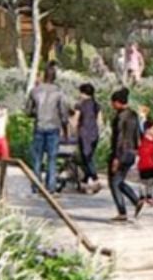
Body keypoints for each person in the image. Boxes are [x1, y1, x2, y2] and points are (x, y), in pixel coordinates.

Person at [25, 65, 71, 194]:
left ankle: (36, 186)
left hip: (39, 126)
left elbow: (28, 111)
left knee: (37, 158)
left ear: (44, 76)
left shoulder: (35, 91)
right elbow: (64, 113)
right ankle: (50, 187)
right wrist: (66, 130)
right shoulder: (59, 92)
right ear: (55, 77)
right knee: (52, 158)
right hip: (53, 127)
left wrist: (37, 113)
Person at [107, 88, 144, 222]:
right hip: (131, 152)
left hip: (121, 153)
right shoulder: (133, 115)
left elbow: (120, 139)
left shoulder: (121, 117)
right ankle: (135, 201)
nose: (111, 105)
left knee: (114, 183)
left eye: (113, 102)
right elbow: (139, 134)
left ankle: (123, 211)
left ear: (117, 102)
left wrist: (116, 158)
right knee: (119, 181)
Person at [74, 83, 102, 194]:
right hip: (94, 134)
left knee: (86, 158)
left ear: (83, 93)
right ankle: (84, 182)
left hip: (84, 134)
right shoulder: (96, 105)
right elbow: (100, 121)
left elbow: (76, 120)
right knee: (88, 157)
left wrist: (74, 132)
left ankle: (95, 179)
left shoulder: (80, 105)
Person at [137, 113, 153, 207]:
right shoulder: (142, 140)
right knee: (143, 181)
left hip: (152, 163)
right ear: (147, 129)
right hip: (143, 163)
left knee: (151, 181)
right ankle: (142, 197)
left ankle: (149, 197)